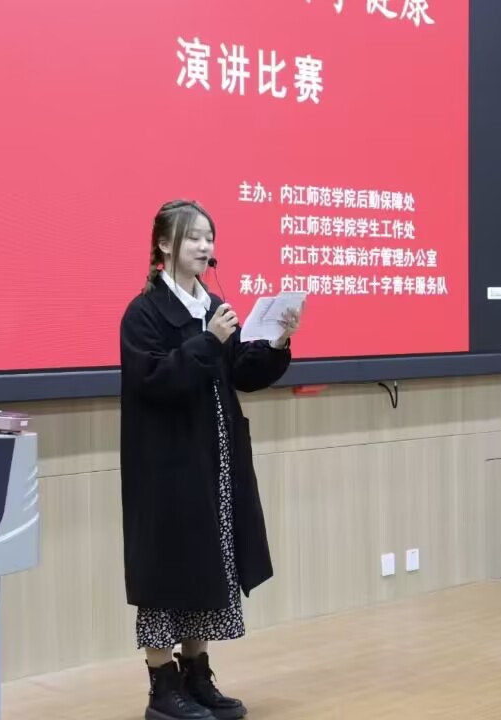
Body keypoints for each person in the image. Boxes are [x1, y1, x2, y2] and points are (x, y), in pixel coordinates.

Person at [119, 199, 303, 720]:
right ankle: (162, 689)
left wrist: (277, 340)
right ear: (163, 244)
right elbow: (154, 381)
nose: (205, 246)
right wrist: (209, 340)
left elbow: (239, 372)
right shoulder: (144, 312)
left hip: (215, 462)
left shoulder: (212, 306)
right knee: (166, 572)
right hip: (166, 467)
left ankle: (197, 677)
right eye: (194, 237)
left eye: (209, 237)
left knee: (206, 566)